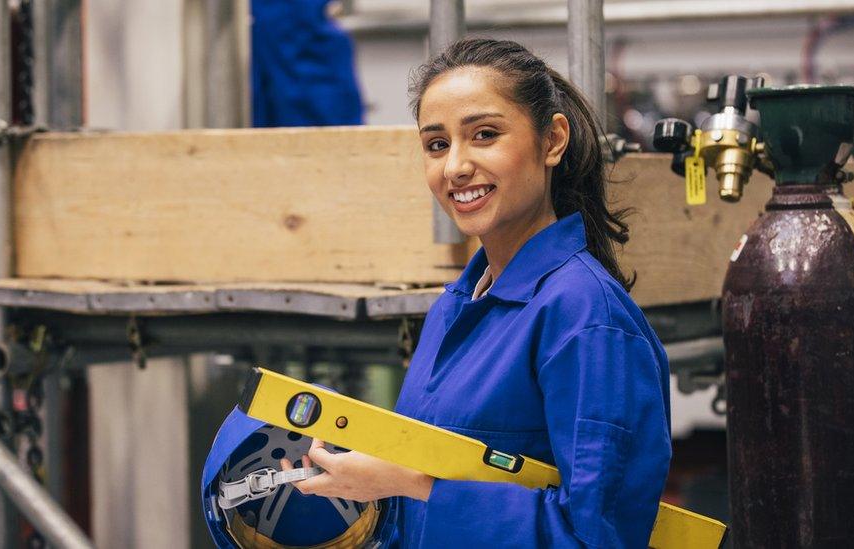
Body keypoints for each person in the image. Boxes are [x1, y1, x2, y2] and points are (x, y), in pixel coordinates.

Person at [280, 37, 672, 548]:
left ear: (552, 141)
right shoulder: (454, 307)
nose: (455, 167)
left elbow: (595, 536)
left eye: (484, 135)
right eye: (436, 145)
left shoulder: (583, 315)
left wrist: (409, 484)